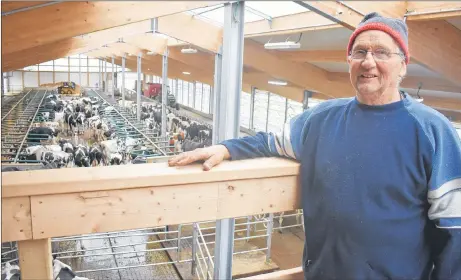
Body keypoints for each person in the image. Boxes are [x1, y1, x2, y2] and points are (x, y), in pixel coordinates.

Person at [168, 12, 461, 280]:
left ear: (403, 65)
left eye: (382, 52)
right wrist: (226, 148)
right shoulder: (320, 120)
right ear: (349, 62)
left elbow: (454, 230)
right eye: (359, 52)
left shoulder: (431, 131)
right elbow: (270, 142)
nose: (368, 61)